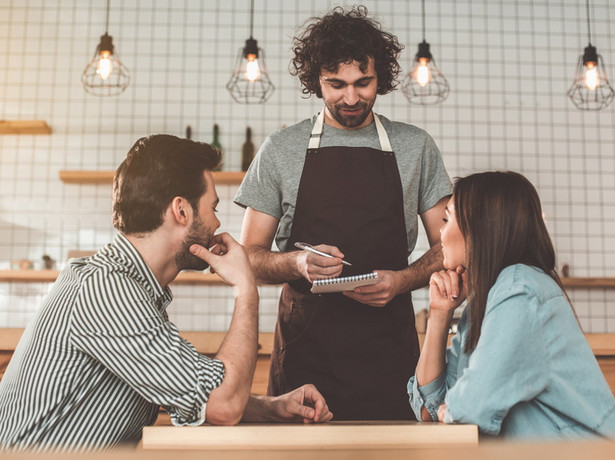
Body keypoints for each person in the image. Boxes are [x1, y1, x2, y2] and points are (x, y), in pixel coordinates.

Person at [0, 135, 332, 452]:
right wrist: (246, 289)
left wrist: (272, 408)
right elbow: (223, 404)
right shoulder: (108, 291)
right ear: (181, 211)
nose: (217, 223)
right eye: (212, 207)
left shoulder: (131, 288)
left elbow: (192, 389)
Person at [234, 6, 452, 420]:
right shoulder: (281, 149)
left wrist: (402, 280)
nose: (351, 98)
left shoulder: (415, 147)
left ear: (380, 78)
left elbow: (451, 246)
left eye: (363, 83)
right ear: (316, 79)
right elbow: (249, 257)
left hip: (389, 353)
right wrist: (298, 261)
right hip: (305, 359)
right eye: (336, 84)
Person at [408, 171, 615, 439]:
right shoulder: (485, 301)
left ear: (479, 229)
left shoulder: (520, 289)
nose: (440, 232)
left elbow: (472, 405)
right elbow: (428, 409)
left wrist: (456, 408)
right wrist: (439, 313)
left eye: (447, 219)